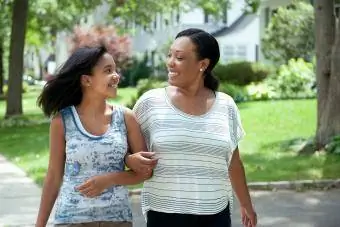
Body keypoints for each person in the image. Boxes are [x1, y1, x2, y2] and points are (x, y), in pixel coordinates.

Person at [125, 28, 257, 227]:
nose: (170, 62)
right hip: (164, 214)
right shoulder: (150, 102)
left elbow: (233, 162)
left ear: (203, 64)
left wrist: (246, 205)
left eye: (179, 57)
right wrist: (129, 159)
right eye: (169, 55)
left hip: (215, 214)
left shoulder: (226, 105)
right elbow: (121, 148)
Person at [35, 45, 157, 227]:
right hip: (72, 220)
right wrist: (40, 224)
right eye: (108, 71)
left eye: (116, 70)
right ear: (86, 80)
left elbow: (146, 172)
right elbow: (53, 176)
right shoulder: (63, 121)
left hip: (117, 220)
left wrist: (110, 179)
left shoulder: (126, 118)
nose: (116, 76)